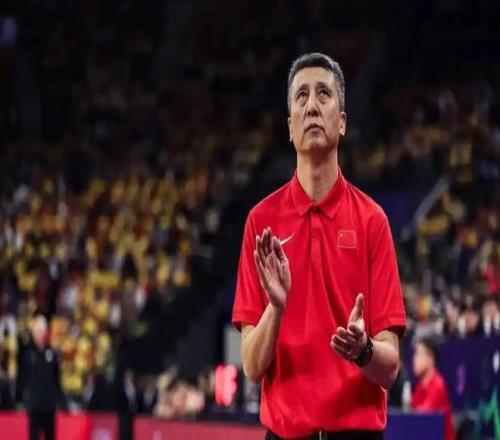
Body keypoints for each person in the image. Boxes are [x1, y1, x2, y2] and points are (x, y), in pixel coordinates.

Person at [232, 52, 406, 439]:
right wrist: (276, 308)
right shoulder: (260, 223)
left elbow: (390, 368)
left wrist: (364, 350)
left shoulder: (372, 221)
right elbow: (252, 366)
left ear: (341, 122)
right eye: (301, 96)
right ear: (290, 126)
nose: (312, 106)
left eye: (324, 94)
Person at [18, 315, 66, 440]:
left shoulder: (51, 353)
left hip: (49, 406)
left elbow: (57, 379)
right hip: (34, 406)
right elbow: (22, 377)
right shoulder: (27, 353)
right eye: (38, 330)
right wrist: (21, 398)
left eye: (43, 331)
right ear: (33, 332)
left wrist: (60, 400)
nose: (40, 334)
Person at [411, 338, 455, 440]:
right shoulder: (420, 386)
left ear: (431, 359)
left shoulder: (437, 385)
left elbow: (421, 419)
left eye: (418, 354)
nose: (414, 359)